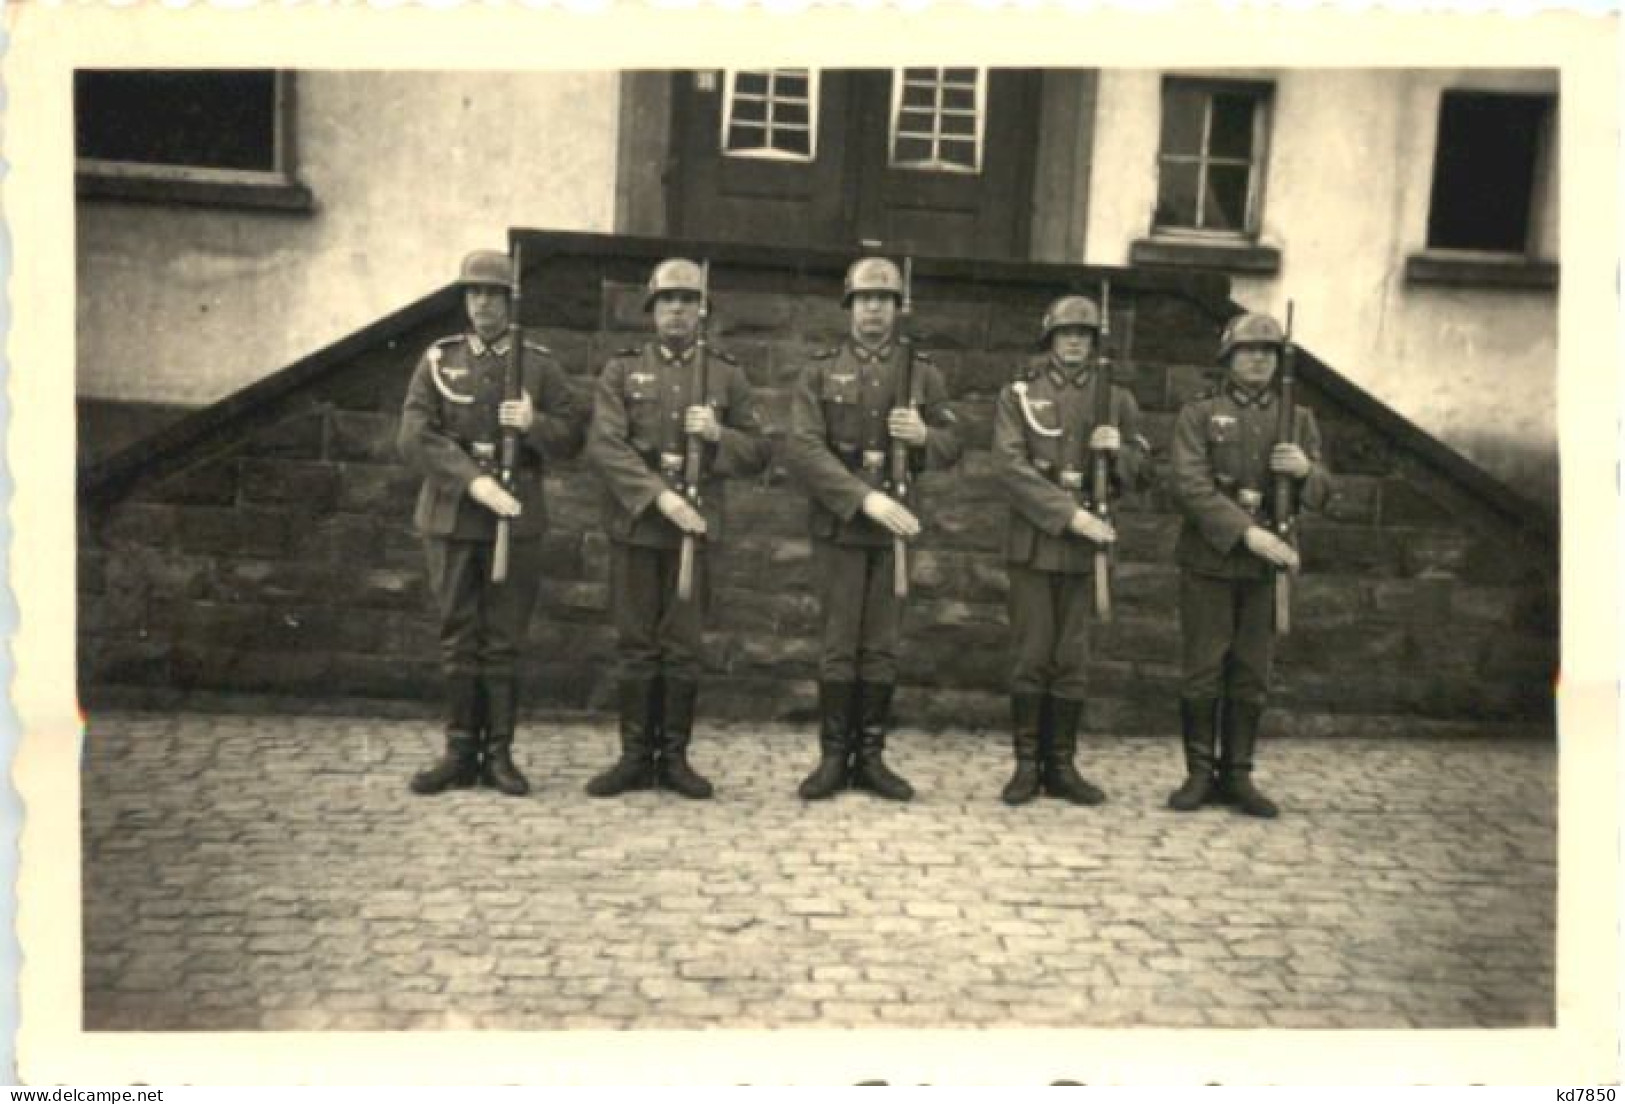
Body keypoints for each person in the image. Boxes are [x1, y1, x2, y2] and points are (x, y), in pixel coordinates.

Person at [398, 248, 587, 797]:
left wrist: (533, 424)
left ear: (511, 300)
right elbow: (414, 435)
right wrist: (472, 480)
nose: (483, 303)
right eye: (474, 292)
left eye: (494, 293)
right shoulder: (439, 358)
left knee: (504, 638)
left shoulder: (540, 364)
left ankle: (499, 754)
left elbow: (574, 435)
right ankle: (460, 751)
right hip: (455, 514)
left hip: (516, 516)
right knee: (458, 635)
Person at [583, 258, 771, 799]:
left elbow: (759, 451)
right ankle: (635, 757)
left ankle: (674, 758)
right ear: (652, 310)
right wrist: (660, 497)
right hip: (639, 525)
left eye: (687, 301)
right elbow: (606, 446)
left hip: (696, 530)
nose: (677, 310)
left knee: (684, 646)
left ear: (702, 310)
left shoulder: (726, 374)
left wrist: (717, 436)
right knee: (636, 643)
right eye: (667, 301)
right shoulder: (622, 370)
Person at [785, 257, 964, 802]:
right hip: (843, 525)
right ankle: (834, 758)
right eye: (864, 300)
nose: (873, 309)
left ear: (896, 309)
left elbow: (956, 442)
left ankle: (872, 756)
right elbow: (804, 449)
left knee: (882, 646)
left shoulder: (922, 373)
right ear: (849, 307)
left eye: (883, 300)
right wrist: (863, 499)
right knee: (839, 645)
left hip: (895, 530)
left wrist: (924, 436)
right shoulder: (819, 371)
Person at [1167, 310, 1332, 818]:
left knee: (1251, 672)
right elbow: (1189, 484)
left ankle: (1238, 774)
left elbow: (1325, 491)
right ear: (1228, 357)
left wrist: (1305, 472)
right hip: (1211, 558)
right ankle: (1198, 773)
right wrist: (1246, 533)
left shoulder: (1297, 418)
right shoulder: (1200, 413)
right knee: (1203, 668)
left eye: (1269, 351)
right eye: (1248, 350)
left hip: (1268, 565)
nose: (1258, 358)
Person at [991, 294, 1153, 806]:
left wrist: (1117, 453)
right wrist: (1070, 516)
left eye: (1084, 334)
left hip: (1089, 550)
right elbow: (1010, 468)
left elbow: (1145, 474)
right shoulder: (1019, 394)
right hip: (1037, 543)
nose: (1075, 341)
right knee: (1031, 654)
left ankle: (1061, 765)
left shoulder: (1117, 400)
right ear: (1050, 337)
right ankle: (1025, 767)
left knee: (1071, 659)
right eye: (1066, 333)